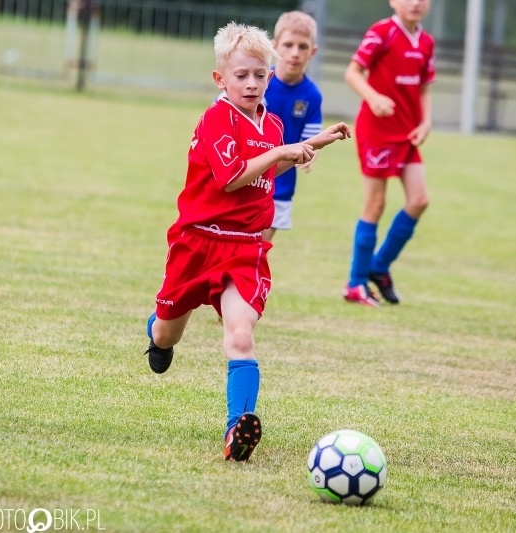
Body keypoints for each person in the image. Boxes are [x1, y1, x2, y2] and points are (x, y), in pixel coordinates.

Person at [143, 22, 350, 463]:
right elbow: (234, 177)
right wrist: (282, 152)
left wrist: (314, 143)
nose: (252, 83)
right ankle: (157, 335)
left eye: (260, 74)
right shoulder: (216, 117)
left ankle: (237, 428)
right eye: (241, 75)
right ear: (221, 78)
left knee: (240, 336)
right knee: (167, 332)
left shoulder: (273, 124)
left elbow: (266, 172)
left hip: (244, 248)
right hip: (197, 243)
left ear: (269, 76)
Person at [342, 0, 436, 307]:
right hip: (377, 132)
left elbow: (423, 88)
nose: (416, 2)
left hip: (406, 134)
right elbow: (353, 73)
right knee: (376, 203)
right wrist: (373, 97)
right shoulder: (382, 32)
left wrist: (425, 122)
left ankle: (379, 267)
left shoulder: (425, 42)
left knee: (420, 200)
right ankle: (355, 284)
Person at [262, 10, 323, 242]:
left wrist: (311, 152)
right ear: (275, 46)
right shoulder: (256, 82)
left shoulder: (312, 96)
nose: (295, 53)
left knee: (257, 252)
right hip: (246, 178)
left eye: (303, 47)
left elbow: (311, 141)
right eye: (288, 45)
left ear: (313, 52)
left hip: (280, 187)